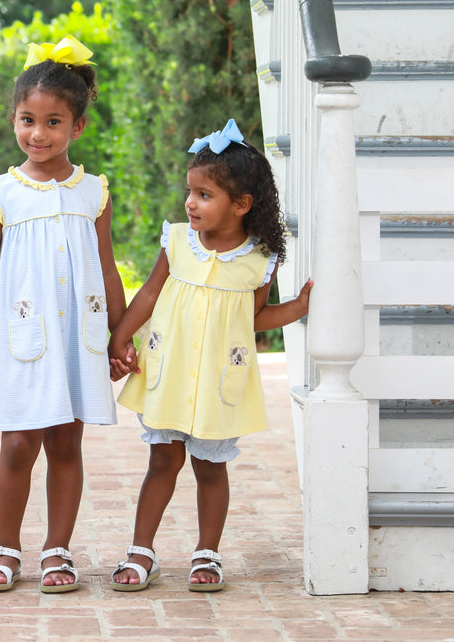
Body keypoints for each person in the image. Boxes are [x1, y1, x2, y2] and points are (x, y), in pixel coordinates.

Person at [107, 119, 313, 593]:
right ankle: (142, 550)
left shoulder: (260, 260)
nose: (191, 203)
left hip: (220, 380)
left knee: (210, 466)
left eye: (204, 195)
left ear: (241, 205)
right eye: (190, 191)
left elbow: (253, 319)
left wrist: (297, 309)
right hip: (171, 373)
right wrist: (121, 336)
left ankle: (207, 552)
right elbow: (149, 296)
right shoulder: (177, 241)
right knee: (162, 459)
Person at [0, 35, 127, 594]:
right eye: (28, 119)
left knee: (66, 444)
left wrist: (120, 335)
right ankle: (6, 547)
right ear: (14, 119)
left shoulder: (94, 191)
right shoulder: (0, 192)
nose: (39, 133)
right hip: (21, 337)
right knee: (18, 445)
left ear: (77, 127)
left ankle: (58, 549)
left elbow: (106, 267)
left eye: (54, 122)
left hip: (78, 338)